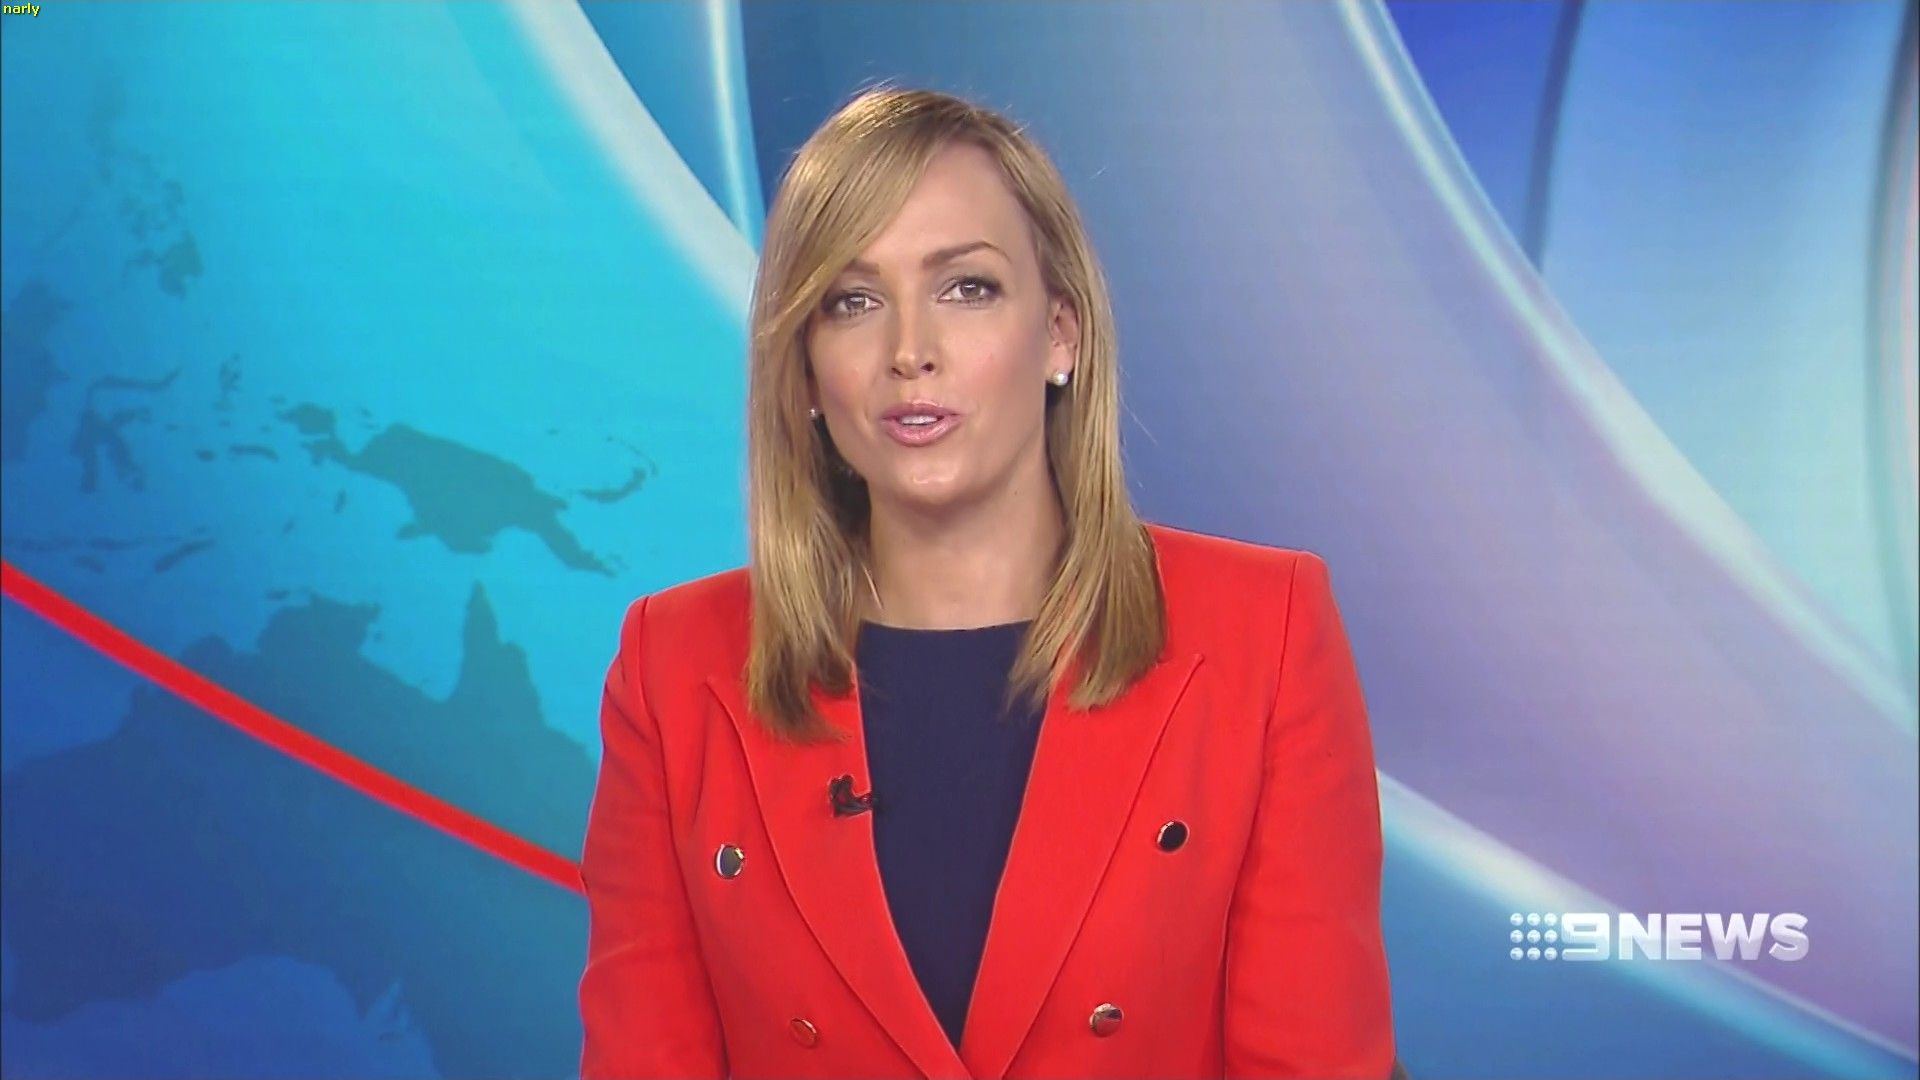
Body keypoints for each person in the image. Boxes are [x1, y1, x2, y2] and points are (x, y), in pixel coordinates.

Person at [578, 83, 1400, 1079]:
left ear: (1061, 334)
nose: (909, 353)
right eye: (853, 302)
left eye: (966, 288)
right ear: (804, 370)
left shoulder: (1264, 636)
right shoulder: (672, 668)